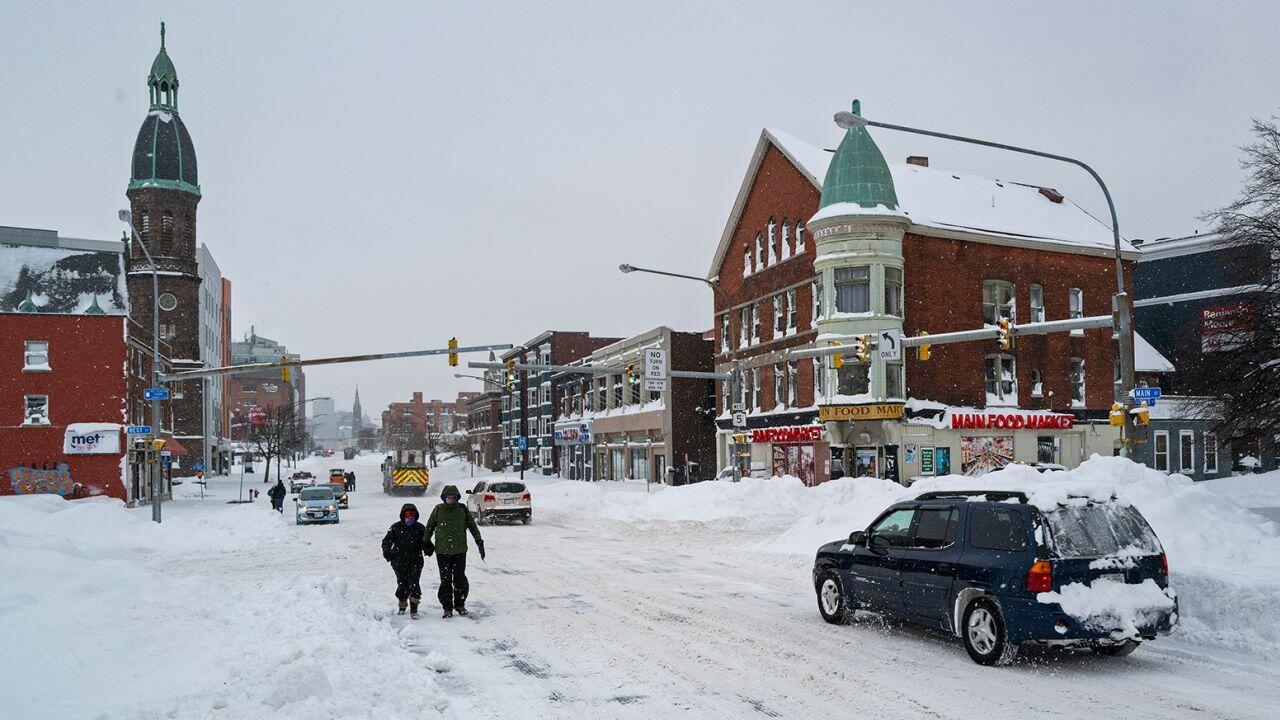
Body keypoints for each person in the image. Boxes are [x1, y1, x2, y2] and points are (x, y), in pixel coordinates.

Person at [424, 485, 484, 618]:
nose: (450, 500)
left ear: (457, 498)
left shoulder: (462, 509)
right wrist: (426, 542)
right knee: (445, 581)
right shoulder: (438, 510)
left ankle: (460, 604)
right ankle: (447, 607)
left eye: (453, 498)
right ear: (444, 498)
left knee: (460, 579)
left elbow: (472, 527)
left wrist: (479, 540)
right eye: (448, 498)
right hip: (442, 552)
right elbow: (429, 528)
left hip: (460, 551)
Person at [381, 503, 432, 619]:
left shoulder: (420, 528)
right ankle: (402, 605)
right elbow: (386, 542)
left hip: (415, 561)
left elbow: (425, 542)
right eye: (407, 514)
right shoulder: (395, 527)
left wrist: (429, 548)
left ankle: (414, 609)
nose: (410, 517)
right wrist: (387, 552)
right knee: (402, 583)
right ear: (403, 515)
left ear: (416, 515)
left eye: (412, 515)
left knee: (414, 583)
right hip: (399, 561)